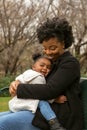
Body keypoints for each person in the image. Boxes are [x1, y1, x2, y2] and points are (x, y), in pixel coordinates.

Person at [0, 17, 83, 130]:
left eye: (52, 48)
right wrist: (16, 82)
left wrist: (19, 89)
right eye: (45, 48)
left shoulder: (70, 63)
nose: (48, 52)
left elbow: (50, 90)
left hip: (57, 118)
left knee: (2, 123)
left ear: (63, 44)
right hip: (40, 111)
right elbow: (35, 80)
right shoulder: (51, 63)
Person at [8, 53, 65, 130]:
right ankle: (53, 122)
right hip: (24, 102)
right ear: (33, 67)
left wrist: (16, 81)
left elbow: (19, 78)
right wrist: (55, 99)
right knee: (43, 102)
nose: (45, 68)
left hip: (16, 103)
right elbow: (42, 93)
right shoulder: (38, 77)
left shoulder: (27, 73)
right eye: (42, 65)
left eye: (48, 67)